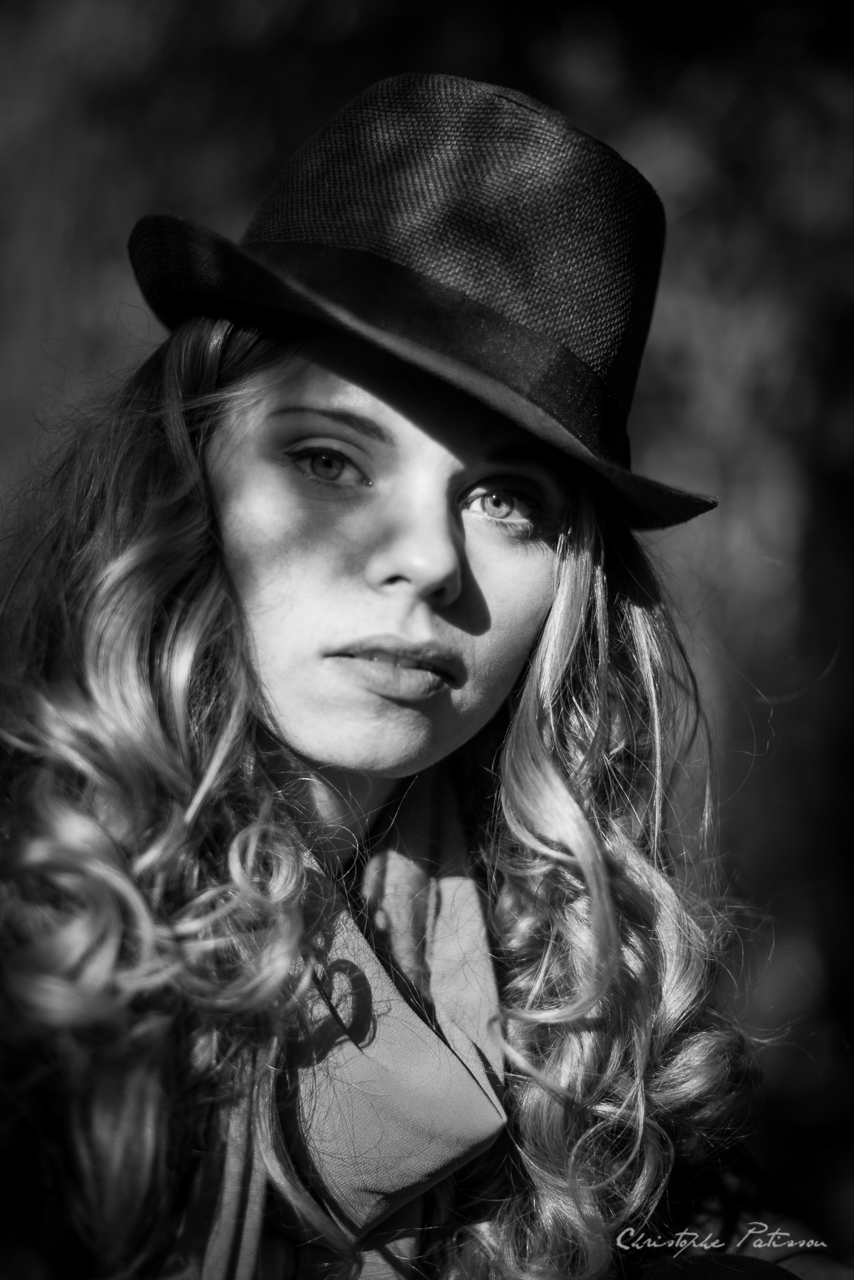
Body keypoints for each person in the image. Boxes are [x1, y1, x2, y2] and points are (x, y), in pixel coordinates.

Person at [0, 72, 831, 1280]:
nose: (430, 561)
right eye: (331, 458)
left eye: (506, 501)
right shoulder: (38, 951)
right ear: (189, 473)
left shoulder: (579, 999)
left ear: (575, 584)